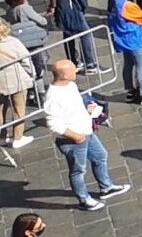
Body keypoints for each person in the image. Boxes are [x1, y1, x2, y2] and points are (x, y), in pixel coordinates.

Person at [41, 58, 126, 209]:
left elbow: (75, 106)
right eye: (72, 69)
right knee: (78, 170)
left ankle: (106, 187)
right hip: (73, 139)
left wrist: (88, 111)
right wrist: (76, 136)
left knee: (100, 156)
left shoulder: (71, 85)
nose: (76, 71)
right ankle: (84, 199)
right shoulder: (53, 97)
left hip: (86, 131)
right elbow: (53, 123)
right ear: (64, 75)